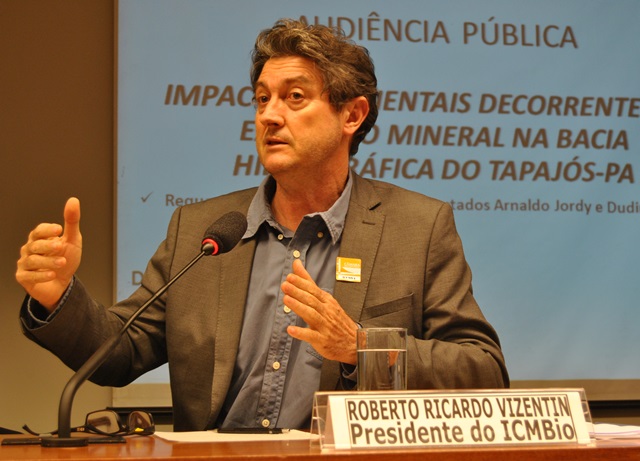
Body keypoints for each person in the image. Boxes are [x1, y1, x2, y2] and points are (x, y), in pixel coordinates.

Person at [15, 19, 509, 432]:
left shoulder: (417, 228)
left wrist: (361, 348)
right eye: (261, 99)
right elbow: (120, 352)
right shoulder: (201, 230)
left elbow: (483, 370)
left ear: (352, 115)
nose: (269, 116)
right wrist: (59, 297)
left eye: (294, 97)